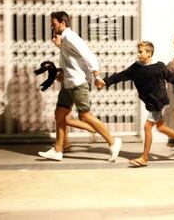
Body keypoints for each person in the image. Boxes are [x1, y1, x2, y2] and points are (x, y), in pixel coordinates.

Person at [38, 11, 122, 161]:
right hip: (68, 83)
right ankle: (58, 150)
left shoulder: (70, 37)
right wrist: (61, 72)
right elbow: (71, 60)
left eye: (54, 24)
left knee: (85, 116)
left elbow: (87, 55)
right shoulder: (64, 39)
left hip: (77, 83)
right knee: (59, 114)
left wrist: (96, 76)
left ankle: (113, 142)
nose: (52, 26)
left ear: (63, 24)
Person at [100, 41, 174, 167]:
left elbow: (171, 78)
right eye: (138, 51)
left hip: (159, 102)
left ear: (149, 53)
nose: (138, 54)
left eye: (141, 52)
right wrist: (106, 82)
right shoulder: (136, 67)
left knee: (147, 127)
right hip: (151, 102)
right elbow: (122, 75)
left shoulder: (159, 66)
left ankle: (144, 157)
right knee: (161, 127)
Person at [51, 33, 97, 151]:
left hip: (76, 85)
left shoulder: (69, 49)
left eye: (55, 37)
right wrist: (60, 76)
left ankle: (91, 128)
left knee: (65, 118)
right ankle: (65, 144)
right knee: (62, 117)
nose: (53, 39)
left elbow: (81, 64)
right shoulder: (63, 52)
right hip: (69, 85)